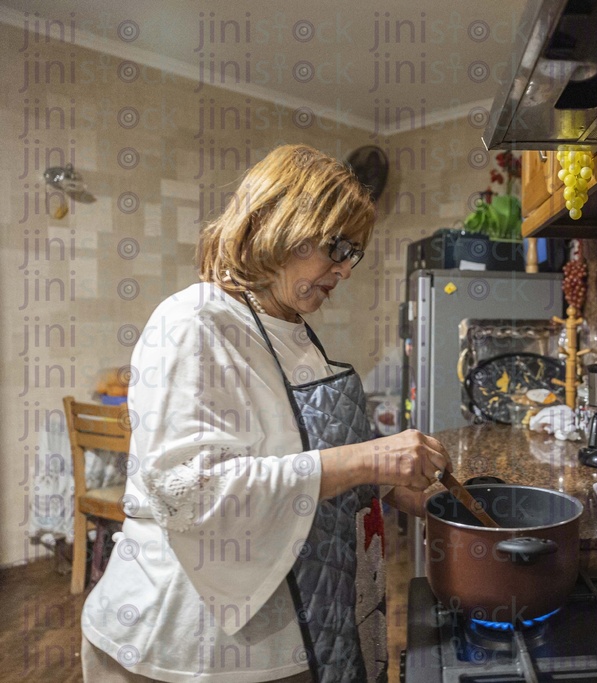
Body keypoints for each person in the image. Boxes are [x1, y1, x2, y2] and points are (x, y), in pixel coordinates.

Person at [80, 144, 451, 683]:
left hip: (303, 626)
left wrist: (408, 492)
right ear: (278, 224)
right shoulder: (193, 323)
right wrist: (369, 458)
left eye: (356, 254)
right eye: (338, 247)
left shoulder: (297, 335)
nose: (345, 270)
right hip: (188, 646)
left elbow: (307, 461)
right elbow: (188, 491)